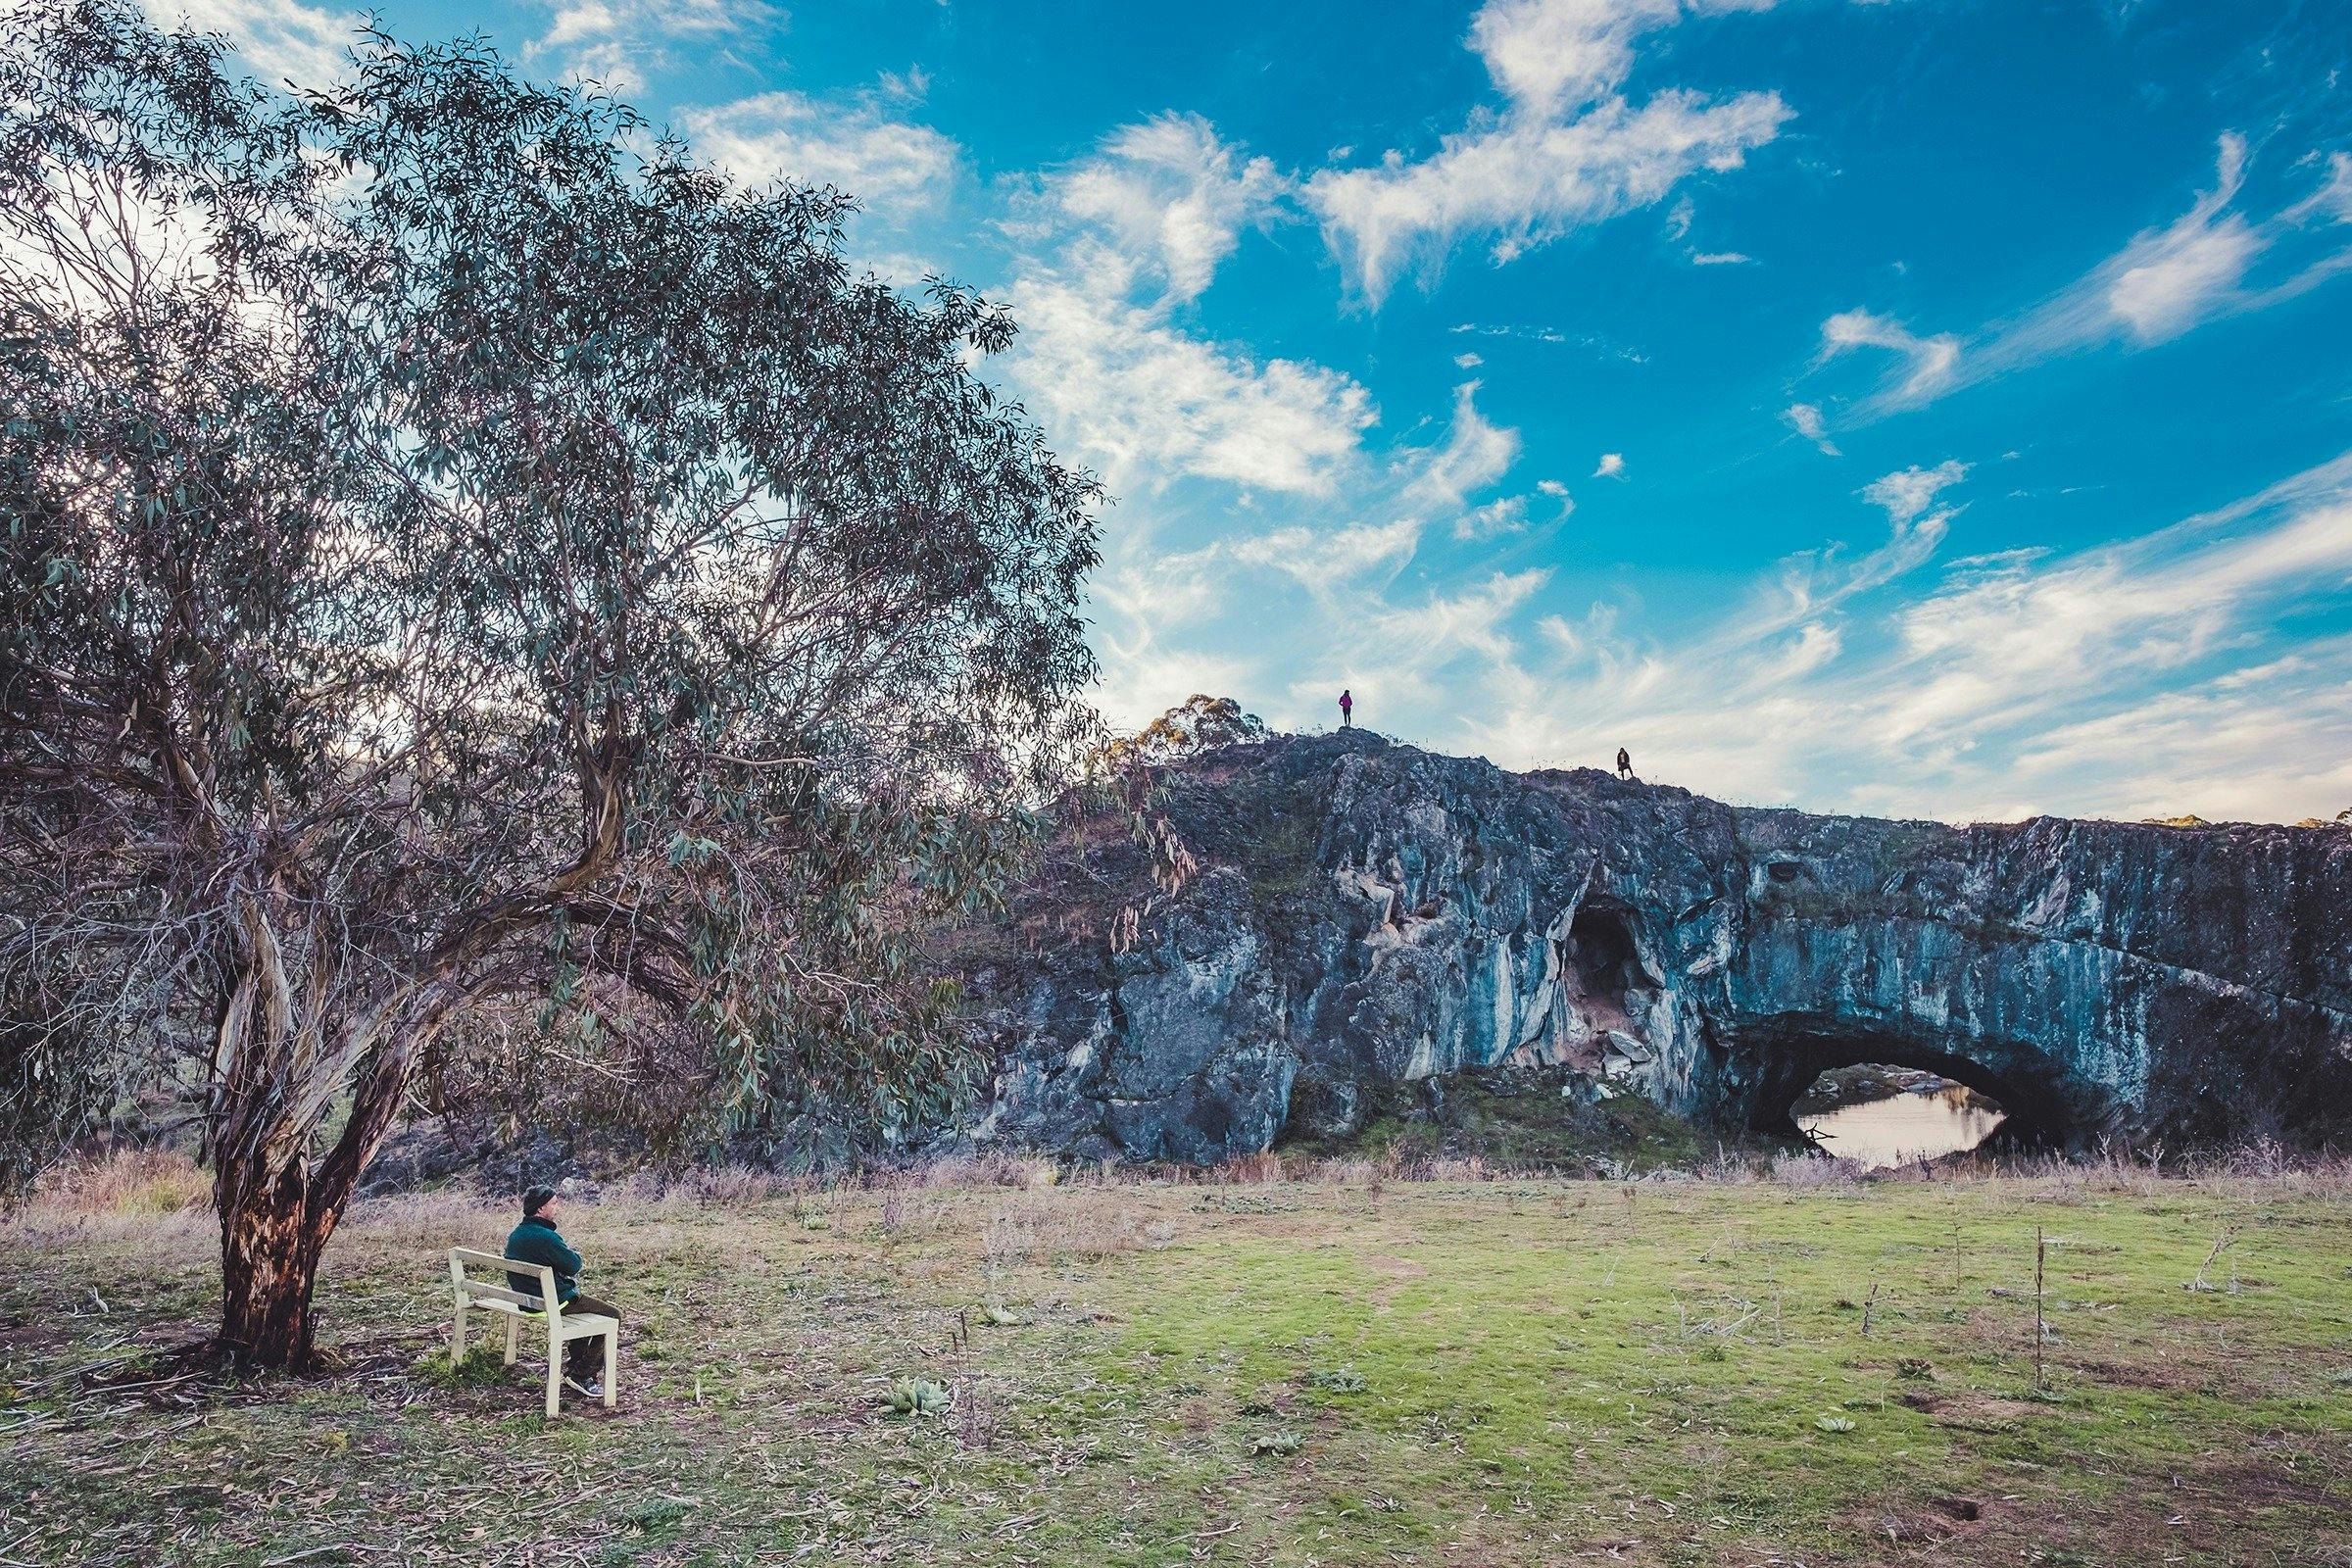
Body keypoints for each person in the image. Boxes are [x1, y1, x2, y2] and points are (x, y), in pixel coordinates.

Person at [506, 1185, 619, 1398]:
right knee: (613, 1315)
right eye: (554, 1203)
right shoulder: (546, 1237)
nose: (557, 1207)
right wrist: (572, 1253)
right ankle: (583, 1374)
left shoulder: (517, 1234)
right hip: (553, 1303)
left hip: (528, 1301)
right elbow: (573, 1265)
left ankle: (575, 1368)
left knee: (583, 1309)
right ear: (541, 1208)